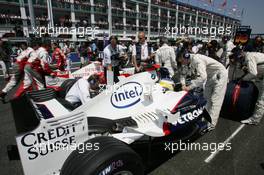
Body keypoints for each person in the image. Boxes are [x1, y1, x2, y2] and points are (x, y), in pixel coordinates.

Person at [177, 50, 228, 131]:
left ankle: (212, 123)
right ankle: (204, 117)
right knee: (206, 98)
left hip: (219, 75)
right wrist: (183, 84)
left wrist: (189, 87)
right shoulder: (186, 61)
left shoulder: (197, 60)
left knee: (215, 100)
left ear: (186, 57)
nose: (182, 63)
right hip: (210, 76)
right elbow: (183, 74)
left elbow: (202, 78)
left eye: (182, 61)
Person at [229, 48, 264, 125]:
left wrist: (242, 79)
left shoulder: (249, 57)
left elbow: (253, 73)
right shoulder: (249, 56)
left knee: (261, 100)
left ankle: (255, 120)